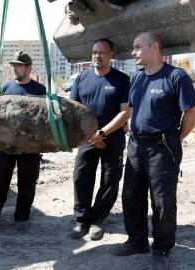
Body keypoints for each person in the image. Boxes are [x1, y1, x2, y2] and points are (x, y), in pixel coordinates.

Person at [114, 32, 195, 270]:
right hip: (135, 144)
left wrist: (176, 138)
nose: (133, 52)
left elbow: (192, 112)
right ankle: (137, 241)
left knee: (162, 201)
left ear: (155, 47)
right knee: (131, 196)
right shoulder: (136, 78)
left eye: (137, 47)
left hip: (163, 145)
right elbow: (132, 110)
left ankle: (162, 249)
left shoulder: (176, 76)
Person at [0, 51, 46, 236]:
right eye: (13, 65)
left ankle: (22, 216)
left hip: (30, 147)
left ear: (29, 68)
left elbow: (45, 120)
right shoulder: (5, 87)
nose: (15, 68)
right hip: (6, 147)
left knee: (27, 183)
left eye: (19, 65)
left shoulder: (40, 90)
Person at [69, 39, 131, 240]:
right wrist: (91, 136)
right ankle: (81, 220)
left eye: (102, 52)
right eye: (95, 52)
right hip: (87, 138)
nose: (97, 56)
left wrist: (102, 133)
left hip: (112, 138)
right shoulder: (81, 79)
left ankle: (97, 220)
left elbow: (125, 113)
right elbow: (73, 111)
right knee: (81, 177)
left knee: (110, 179)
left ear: (111, 54)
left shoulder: (122, 80)